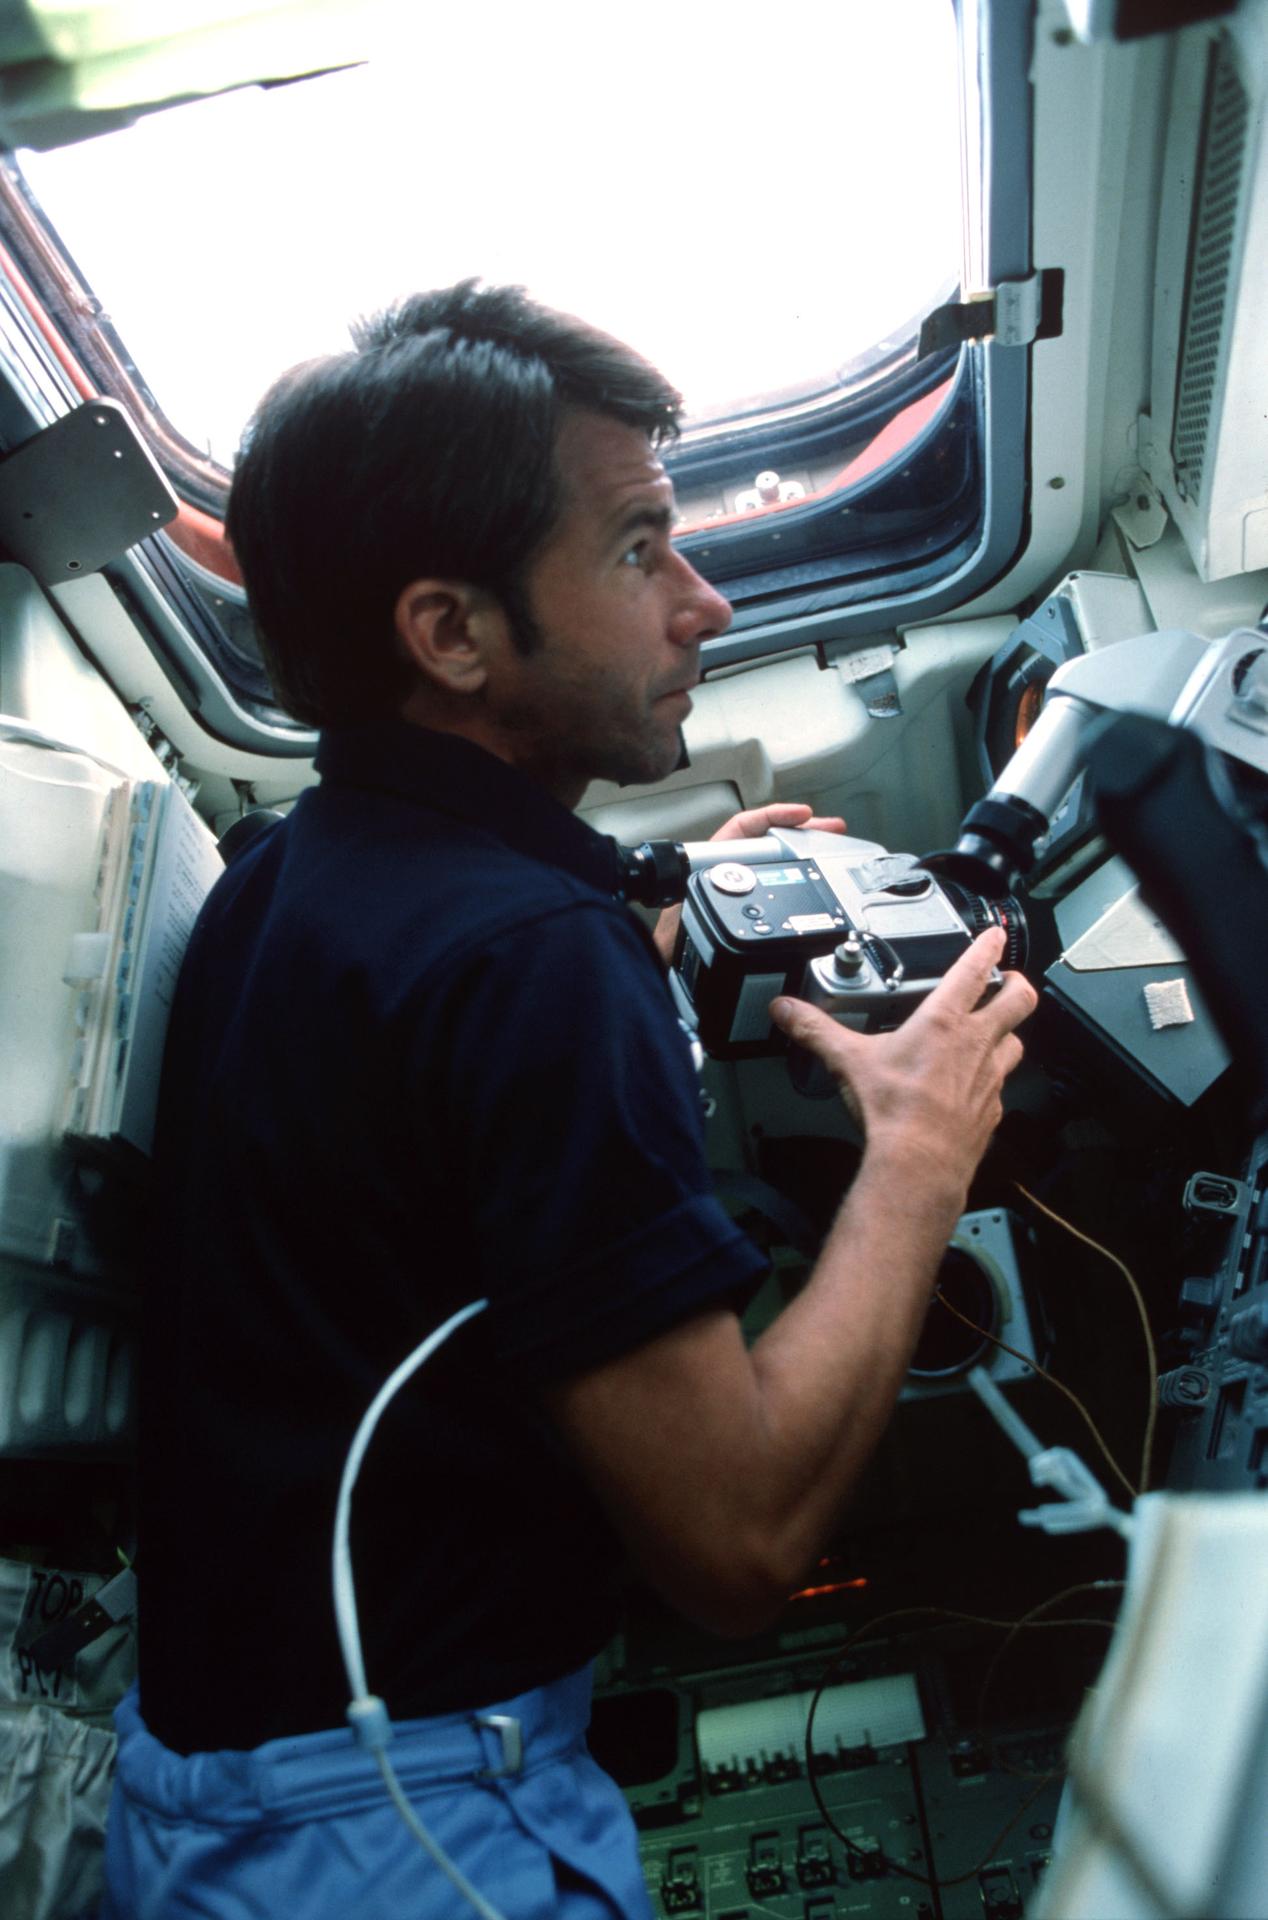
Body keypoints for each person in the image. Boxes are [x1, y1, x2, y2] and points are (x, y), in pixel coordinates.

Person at [101, 281, 1036, 1919]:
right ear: (451, 634)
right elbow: (738, 1545)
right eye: (638, 551)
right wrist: (919, 1147)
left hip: (214, 1796)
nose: (707, 603)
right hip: (407, 1824)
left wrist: (658, 894)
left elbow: (457, 976)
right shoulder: (528, 967)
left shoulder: (291, 875)